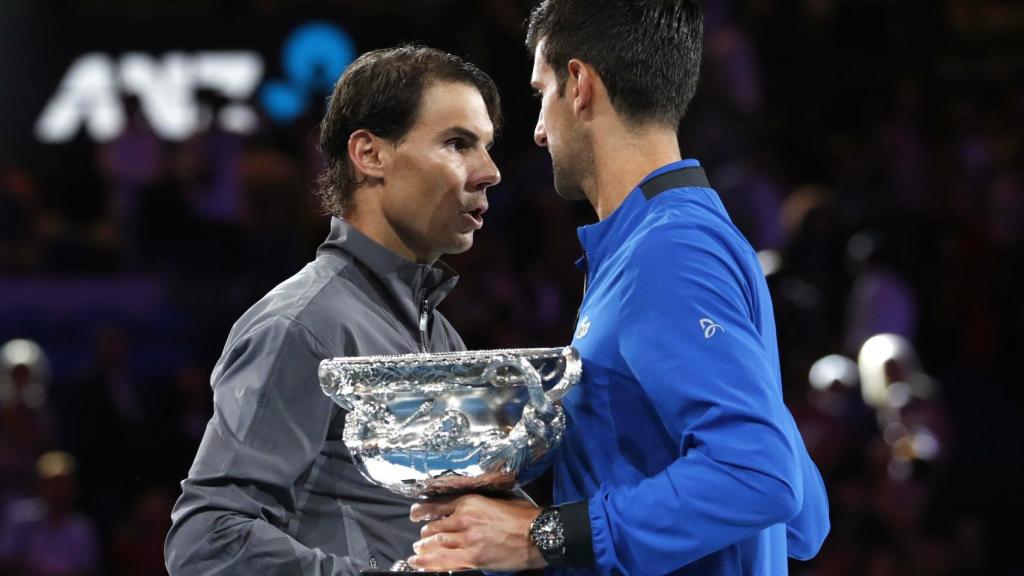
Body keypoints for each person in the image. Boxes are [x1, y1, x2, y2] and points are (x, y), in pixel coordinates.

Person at [407, 2, 830, 574]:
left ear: (579, 85)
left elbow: (758, 475)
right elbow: (804, 518)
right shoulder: (683, 237)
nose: (537, 130)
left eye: (541, 93)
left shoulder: (669, 252)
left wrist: (546, 535)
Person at [164, 45, 502, 575]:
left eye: (485, 146)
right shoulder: (303, 326)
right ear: (370, 155)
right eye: (457, 143)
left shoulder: (439, 334)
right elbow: (208, 541)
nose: (489, 172)